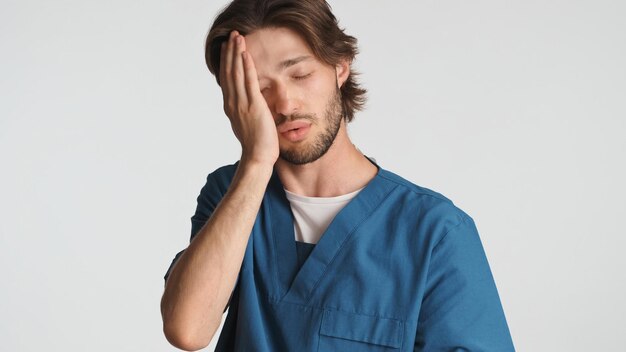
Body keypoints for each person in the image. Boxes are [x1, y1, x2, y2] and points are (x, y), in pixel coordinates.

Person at [161, 0, 515, 351]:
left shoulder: (435, 232)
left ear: (340, 65)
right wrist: (255, 164)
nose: (285, 104)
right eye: (258, 87)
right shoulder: (230, 195)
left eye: (300, 75)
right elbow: (187, 330)